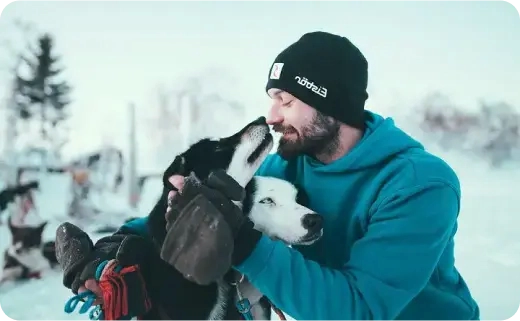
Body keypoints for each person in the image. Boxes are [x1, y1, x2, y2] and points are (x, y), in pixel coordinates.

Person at [58, 31, 480, 321]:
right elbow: (208, 214)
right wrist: (121, 244)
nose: (272, 116)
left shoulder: (419, 183)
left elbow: (362, 309)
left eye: (288, 100)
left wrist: (242, 241)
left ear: (332, 106)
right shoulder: (287, 166)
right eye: (272, 98)